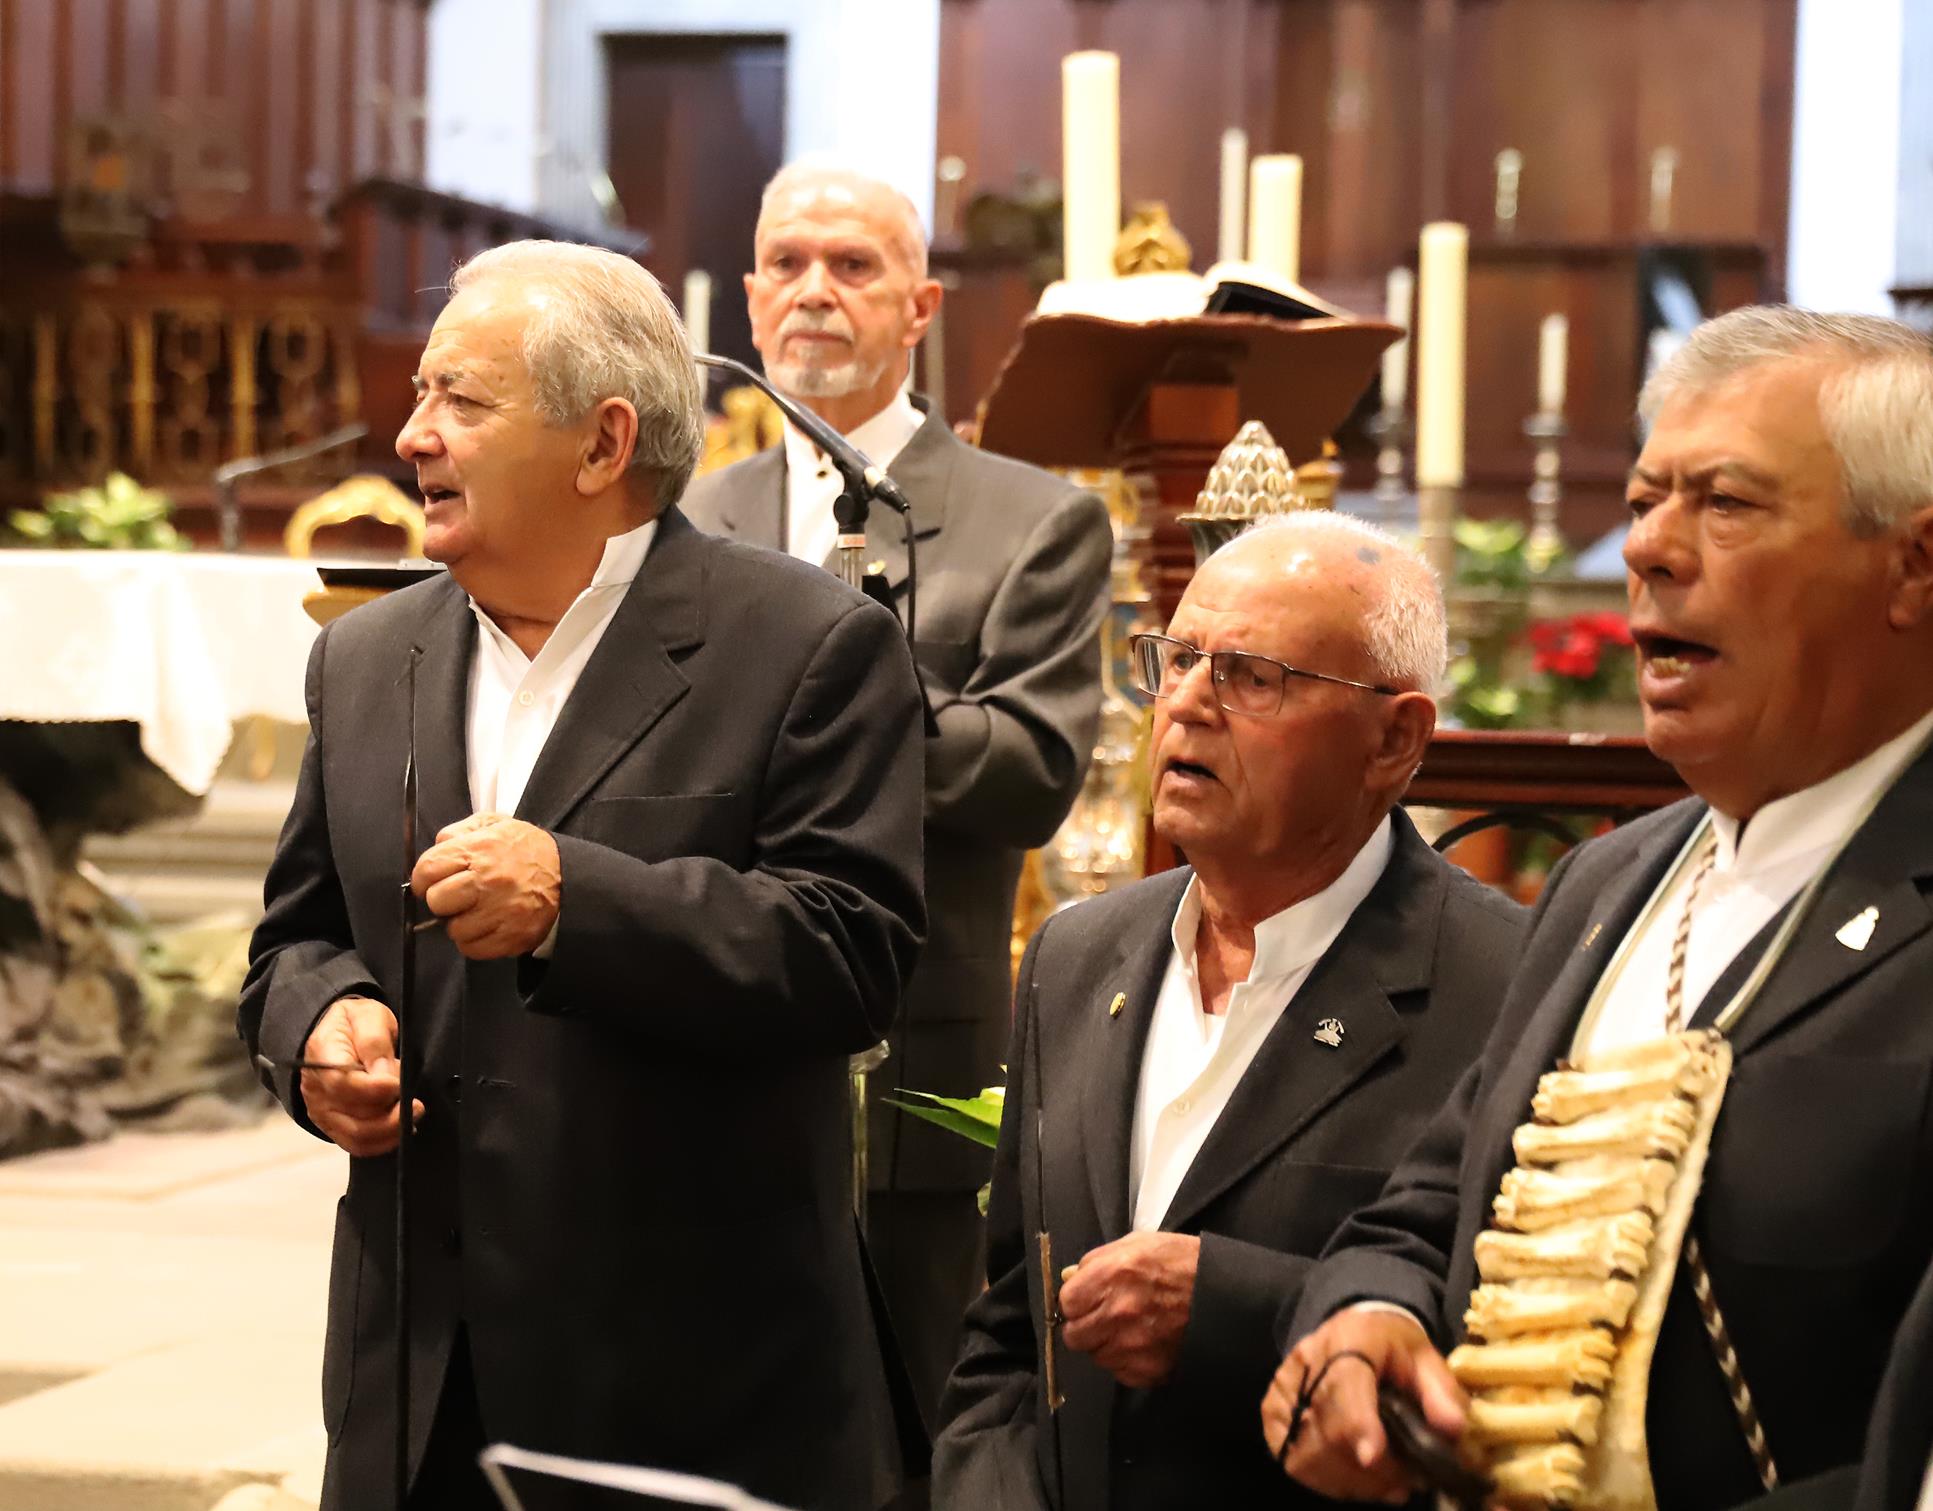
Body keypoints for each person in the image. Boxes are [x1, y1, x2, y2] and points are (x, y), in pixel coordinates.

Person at [238, 239, 927, 1511]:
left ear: (604, 444)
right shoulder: (366, 656)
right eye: (419, 397)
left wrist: (577, 898)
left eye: (462, 400)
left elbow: (852, 955)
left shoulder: (808, 645)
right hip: (415, 1382)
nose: (414, 437)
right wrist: (313, 1029)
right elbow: (295, 940)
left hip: (686, 1380)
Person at [1266, 307, 1933, 1511]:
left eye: (1723, 504)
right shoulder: (1603, 885)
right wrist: (1365, 1320)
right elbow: (1429, 1207)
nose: (1650, 550)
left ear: (1914, 565)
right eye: (1641, 503)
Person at [932, 514, 1527, 1510]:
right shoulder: (1075, 956)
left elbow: (1510, 1362)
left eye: (1253, 674)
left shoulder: (1503, 988)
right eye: (1176, 658)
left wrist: (1231, 1310)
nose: (1188, 705)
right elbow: (1007, 1331)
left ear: (1394, 739)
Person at [682, 160, 1115, 1420]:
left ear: (919, 307)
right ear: (751, 300)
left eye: (852, 265)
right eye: (785, 264)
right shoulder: (686, 521)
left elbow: (1031, 766)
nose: (813, 290)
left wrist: (818, 717)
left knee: (921, 1423)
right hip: (707, 1040)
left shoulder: (1032, 520)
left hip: (914, 1041)